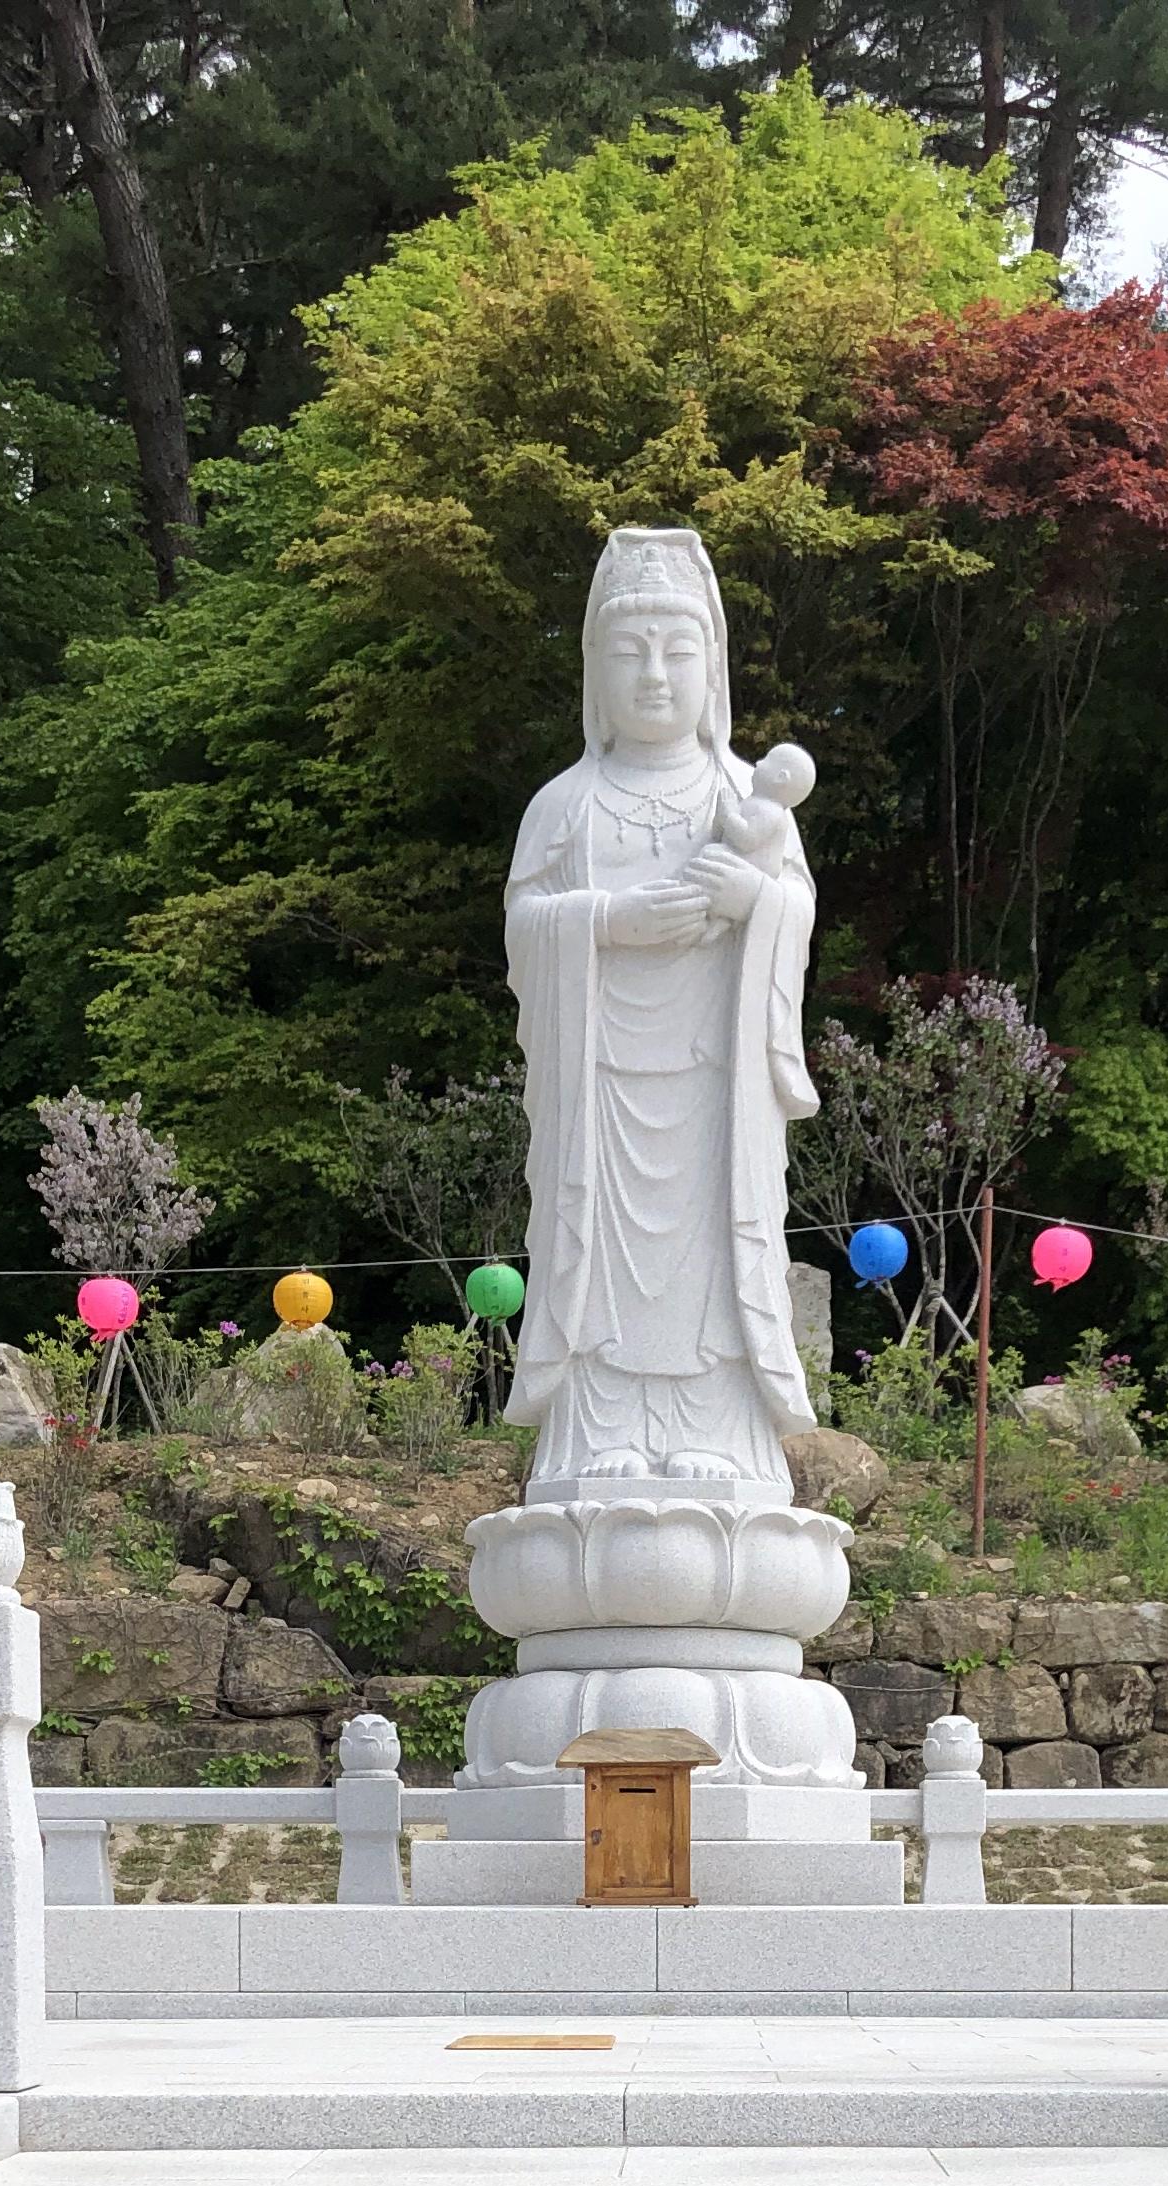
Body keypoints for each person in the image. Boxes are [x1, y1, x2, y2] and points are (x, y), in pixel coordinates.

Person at [503, 528, 819, 1501]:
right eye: (628, 651)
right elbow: (524, 925)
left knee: (712, 1256)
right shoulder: (565, 805)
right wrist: (608, 921)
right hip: (598, 1081)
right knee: (597, 1253)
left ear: (711, 667)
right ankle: (599, 1431)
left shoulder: (744, 795)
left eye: (677, 651)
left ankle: (714, 1432)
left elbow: (795, 909)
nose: (652, 675)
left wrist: (754, 901)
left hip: (716, 1085)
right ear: (594, 668)